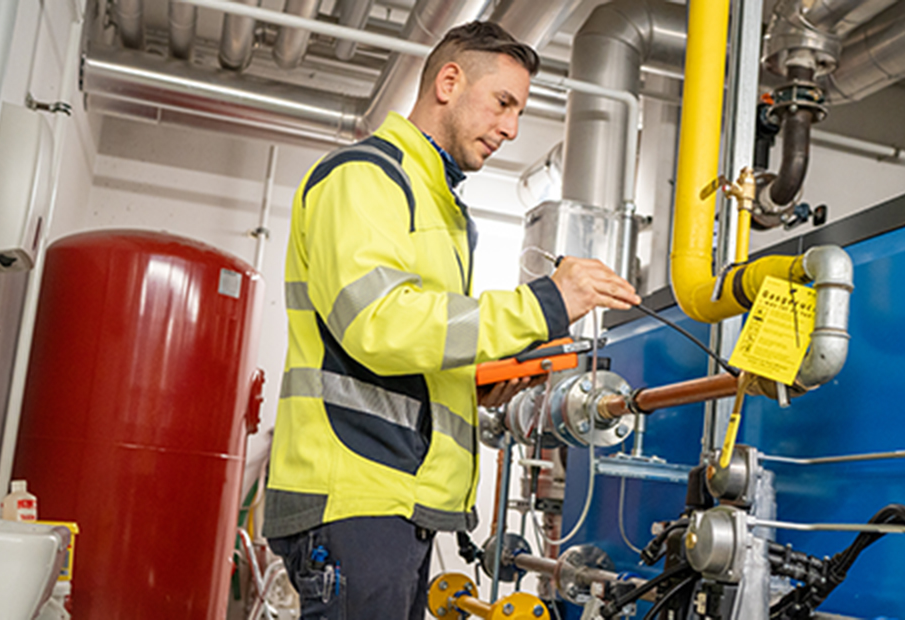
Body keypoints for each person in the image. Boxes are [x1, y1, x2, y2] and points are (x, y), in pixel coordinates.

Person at [262, 21, 640, 619]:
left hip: (397, 502)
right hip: (355, 494)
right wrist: (544, 303)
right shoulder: (366, 177)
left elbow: (420, 343)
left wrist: (473, 383)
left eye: (519, 112)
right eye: (503, 102)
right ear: (448, 82)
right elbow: (380, 323)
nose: (511, 128)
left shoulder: (441, 206)